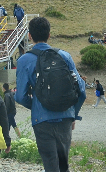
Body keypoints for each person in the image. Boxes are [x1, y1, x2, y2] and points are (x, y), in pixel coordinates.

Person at [16, 17, 86, 172]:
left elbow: (20, 96)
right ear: (49, 35)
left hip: (42, 119)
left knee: (50, 164)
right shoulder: (64, 56)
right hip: (65, 116)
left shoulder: (24, 60)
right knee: (63, 164)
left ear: (29, 36)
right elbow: (81, 89)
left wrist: (36, 104)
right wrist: (73, 114)